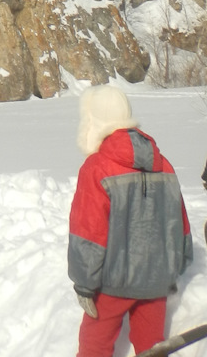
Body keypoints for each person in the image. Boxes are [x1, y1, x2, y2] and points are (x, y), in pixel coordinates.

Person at [68, 85, 192, 357]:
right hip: (157, 280)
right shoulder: (164, 163)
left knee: (94, 347)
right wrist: (176, 265)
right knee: (152, 348)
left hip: (113, 285)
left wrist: (84, 284)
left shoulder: (97, 167)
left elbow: (88, 233)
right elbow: (179, 223)